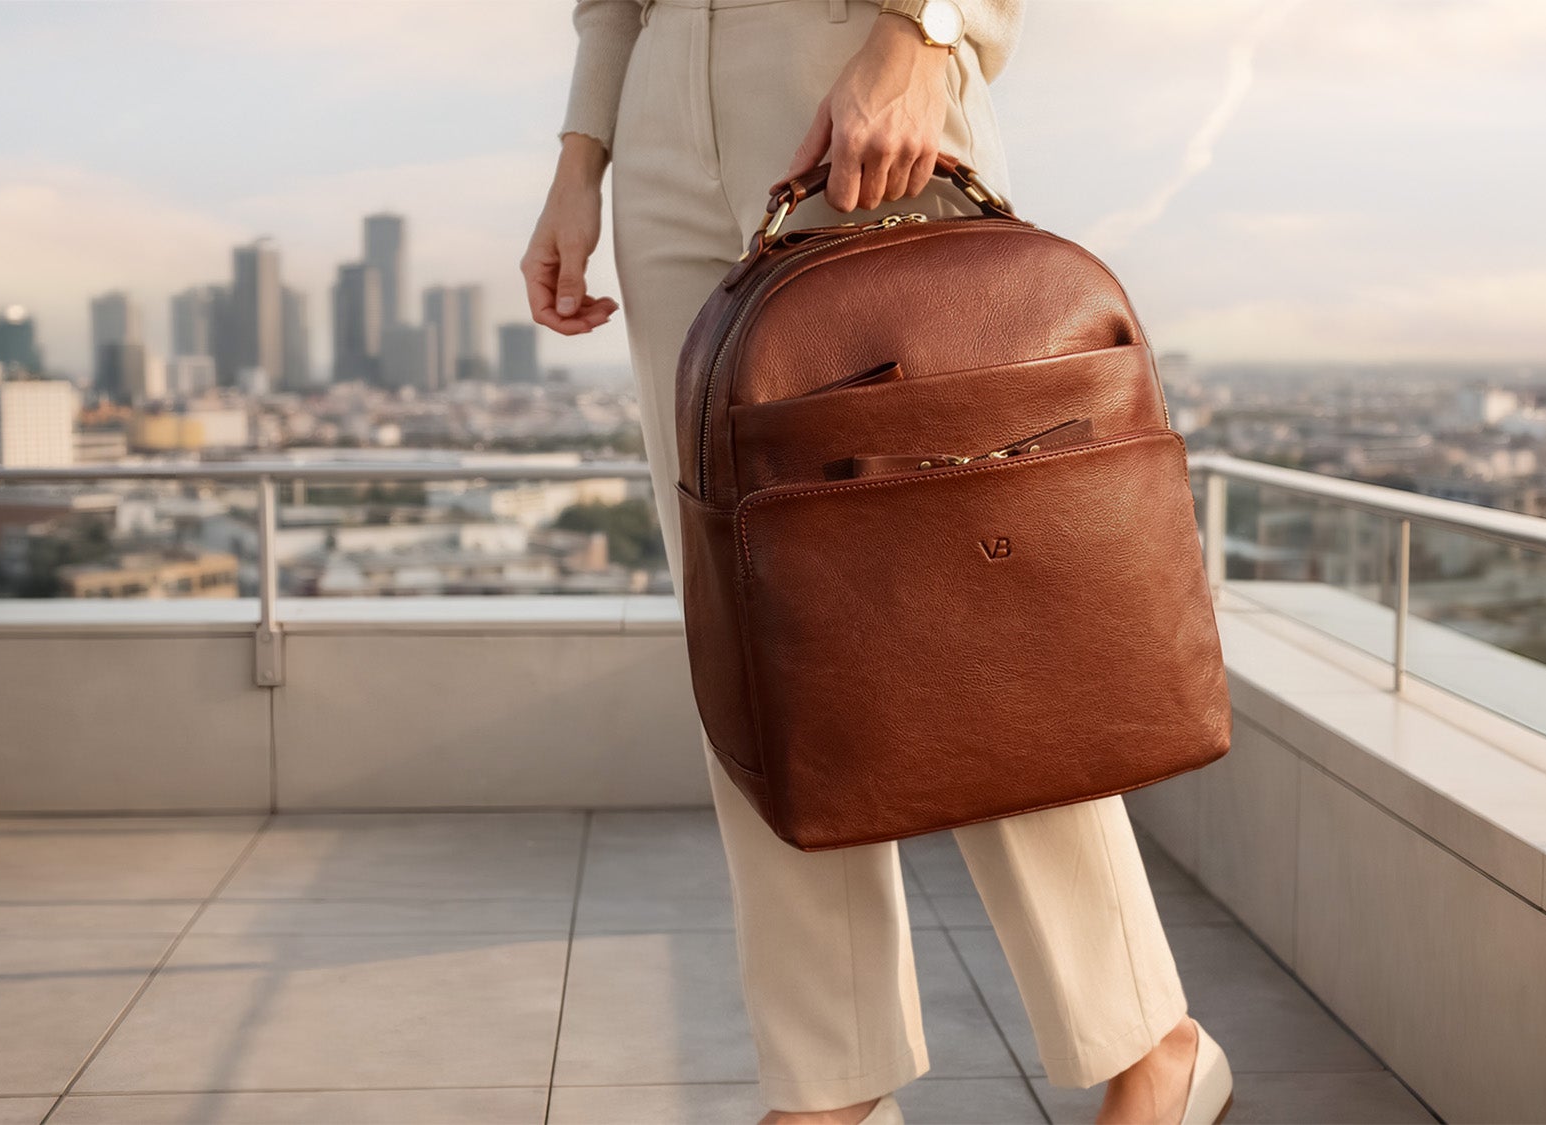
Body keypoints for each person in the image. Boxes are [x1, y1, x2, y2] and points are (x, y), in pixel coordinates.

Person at [522, 2, 1234, 1122]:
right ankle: (828, 1083)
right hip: (656, 134)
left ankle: (1148, 1040)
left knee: (969, 590)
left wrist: (920, 36)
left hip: (855, 76)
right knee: (748, 618)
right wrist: (582, 160)